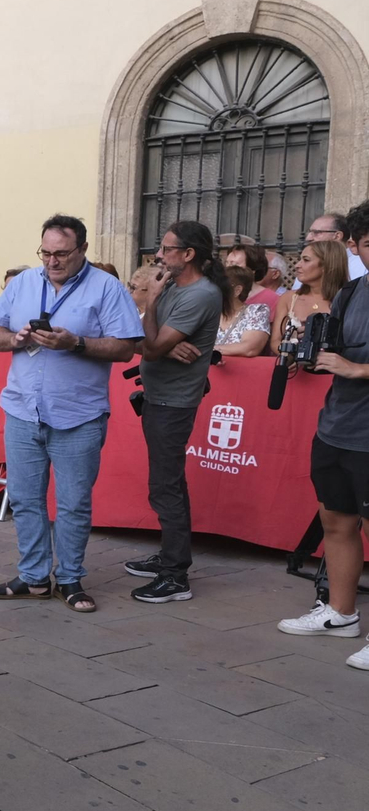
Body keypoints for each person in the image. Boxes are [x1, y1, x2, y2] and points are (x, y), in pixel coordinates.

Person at [0, 214, 142, 613]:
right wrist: (14, 339)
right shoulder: (22, 283)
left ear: (82, 250)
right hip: (22, 407)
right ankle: (34, 578)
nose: (52, 261)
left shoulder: (106, 288)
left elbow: (126, 348)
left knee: (72, 502)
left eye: (62, 254)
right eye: (46, 253)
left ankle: (70, 578)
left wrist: (77, 343)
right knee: (24, 497)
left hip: (79, 414)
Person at [276, 203, 369, 667]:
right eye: (368, 242)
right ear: (355, 246)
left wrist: (359, 368)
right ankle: (340, 612)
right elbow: (331, 348)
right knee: (337, 520)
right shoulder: (352, 292)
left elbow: (352, 362)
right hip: (338, 425)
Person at [124, 220, 227, 604]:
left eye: (168, 249)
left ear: (189, 254)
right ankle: (172, 555)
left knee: (165, 486)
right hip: (158, 395)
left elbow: (148, 345)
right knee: (168, 483)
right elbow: (141, 338)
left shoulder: (199, 294)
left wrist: (151, 306)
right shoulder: (174, 286)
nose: (160, 255)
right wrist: (163, 343)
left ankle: (175, 576)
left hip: (174, 402)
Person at [271, 241, 347, 353]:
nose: (297, 265)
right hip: (291, 368)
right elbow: (275, 341)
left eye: (306, 260)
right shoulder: (289, 298)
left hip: (331, 368)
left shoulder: (347, 299)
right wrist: (288, 355)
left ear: (326, 265)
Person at [213, 266, 272, 357]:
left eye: (219, 286)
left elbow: (250, 348)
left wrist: (209, 350)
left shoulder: (256, 311)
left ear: (237, 291)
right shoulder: (210, 313)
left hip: (242, 370)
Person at [307, 212, 366, 280]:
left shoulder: (361, 265)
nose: (308, 238)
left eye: (316, 232)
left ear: (337, 236)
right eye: (309, 232)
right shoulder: (307, 264)